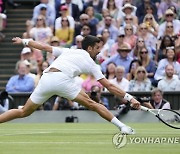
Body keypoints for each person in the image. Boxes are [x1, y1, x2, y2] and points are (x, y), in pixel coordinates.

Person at [0, 35, 140, 135]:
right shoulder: (92, 64)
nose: (99, 51)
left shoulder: (69, 51)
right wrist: (130, 98)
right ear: (90, 48)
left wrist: (23, 40)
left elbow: (43, 46)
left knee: (24, 111)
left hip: (46, 78)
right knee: (94, 105)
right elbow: (110, 86)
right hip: (62, 80)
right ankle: (122, 127)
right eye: (97, 48)